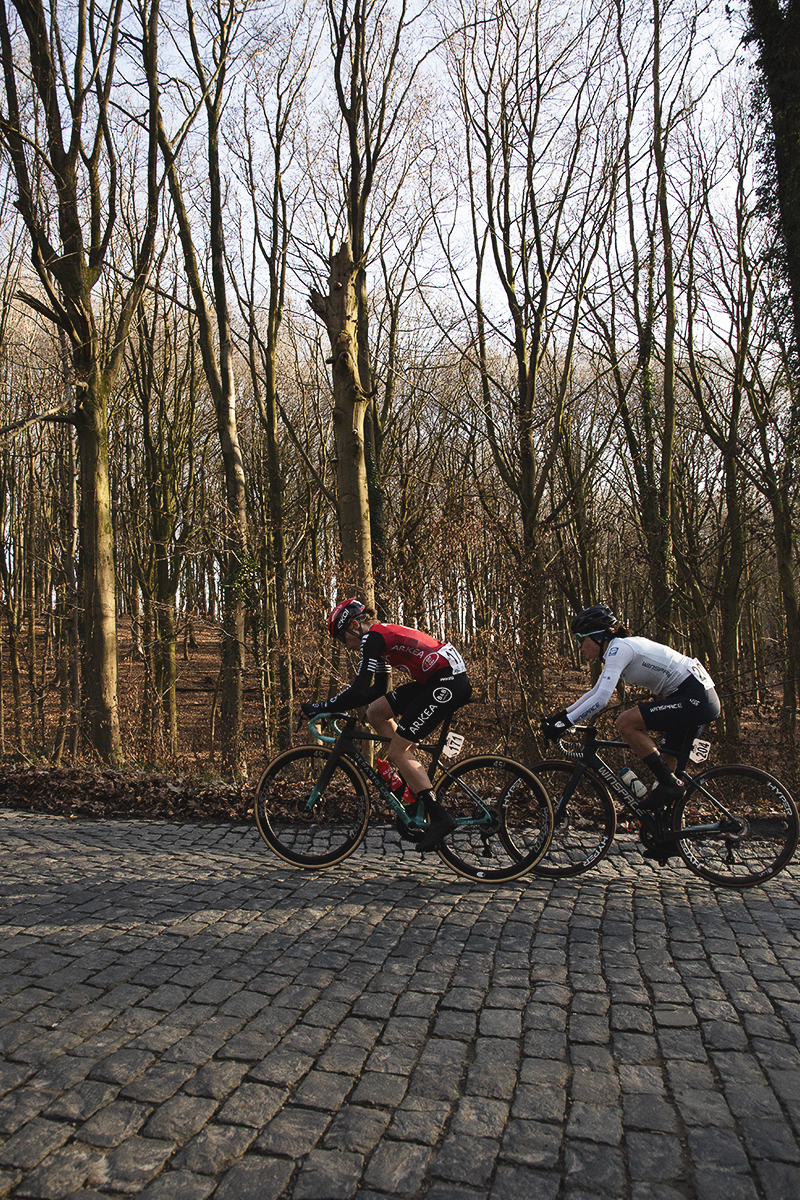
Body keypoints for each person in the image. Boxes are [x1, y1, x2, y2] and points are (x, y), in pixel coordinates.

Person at [300, 598, 473, 851]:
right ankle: (414, 786)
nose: (344, 645)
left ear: (355, 626)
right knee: (376, 712)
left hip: (448, 681)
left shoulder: (372, 639)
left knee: (397, 751)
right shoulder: (378, 640)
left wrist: (320, 707)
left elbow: (359, 688)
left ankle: (440, 817)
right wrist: (332, 707)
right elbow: (377, 690)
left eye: (341, 637)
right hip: (439, 678)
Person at [541, 604, 721, 808]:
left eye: (580, 639)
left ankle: (671, 786)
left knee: (626, 722)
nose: (579, 646)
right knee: (666, 768)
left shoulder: (619, 649)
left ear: (598, 637)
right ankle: (667, 822)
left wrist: (564, 724)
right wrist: (560, 718)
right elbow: (594, 692)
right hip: (695, 695)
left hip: (695, 697)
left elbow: (601, 699)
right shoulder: (617, 649)